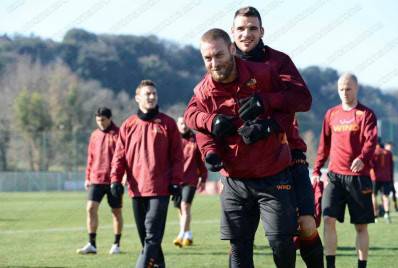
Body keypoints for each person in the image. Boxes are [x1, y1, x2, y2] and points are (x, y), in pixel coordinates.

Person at [184, 28, 312, 268]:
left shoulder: (264, 73)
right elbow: (192, 118)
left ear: (232, 49)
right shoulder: (203, 90)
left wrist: (268, 124)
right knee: (239, 249)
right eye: (207, 58)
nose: (214, 63)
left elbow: (297, 103)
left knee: (281, 243)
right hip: (235, 180)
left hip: (273, 174)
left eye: (219, 55)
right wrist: (210, 143)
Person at [230, 6, 323, 267]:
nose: (246, 34)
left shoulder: (278, 61)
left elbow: (303, 99)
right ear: (232, 32)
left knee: (305, 225)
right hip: (243, 162)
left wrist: (265, 103)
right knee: (239, 240)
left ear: (262, 31)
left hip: (288, 154)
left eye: (252, 28)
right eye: (241, 29)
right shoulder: (225, 64)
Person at [110, 80, 183, 268]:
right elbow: (119, 156)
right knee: (148, 241)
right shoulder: (128, 125)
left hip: (160, 190)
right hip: (136, 190)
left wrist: (176, 182)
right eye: (147, 94)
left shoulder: (168, 124)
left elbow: (177, 156)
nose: (151, 97)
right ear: (137, 98)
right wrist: (115, 180)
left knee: (152, 237)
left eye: (154, 94)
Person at [312, 73, 377, 268]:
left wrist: (362, 158)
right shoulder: (331, 114)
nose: (344, 92)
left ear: (356, 88)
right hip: (335, 176)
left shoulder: (366, 114)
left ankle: (361, 265)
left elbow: (371, 140)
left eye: (348, 88)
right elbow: (324, 144)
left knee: (360, 226)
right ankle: (330, 265)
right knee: (328, 219)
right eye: (341, 88)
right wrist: (316, 169)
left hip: (358, 178)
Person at [77, 107, 123, 255]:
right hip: (96, 179)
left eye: (103, 120)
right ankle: (92, 244)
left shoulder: (119, 134)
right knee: (90, 208)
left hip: (114, 180)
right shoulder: (94, 135)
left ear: (110, 118)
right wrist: (87, 177)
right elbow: (90, 158)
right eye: (98, 120)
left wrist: (124, 178)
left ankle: (116, 243)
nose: (100, 123)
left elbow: (125, 158)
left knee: (116, 212)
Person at [172, 116, 208, 247]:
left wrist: (203, 178)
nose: (184, 125)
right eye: (181, 123)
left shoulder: (195, 140)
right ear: (177, 125)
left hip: (190, 179)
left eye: (185, 123)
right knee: (180, 209)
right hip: (176, 179)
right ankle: (188, 233)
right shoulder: (172, 139)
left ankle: (181, 234)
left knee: (185, 206)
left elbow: (201, 161)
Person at [370, 139, 393, 223]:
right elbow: (391, 166)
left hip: (375, 178)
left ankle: (375, 216)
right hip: (386, 178)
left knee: (373, 196)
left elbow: (371, 165)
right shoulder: (388, 153)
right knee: (385, 196)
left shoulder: (373, 152)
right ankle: (387, 214)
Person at [384, 141, 398, 212]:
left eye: (391, 147)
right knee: (384, 194)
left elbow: (391, 167)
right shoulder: (384, 153)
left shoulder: (389, 154)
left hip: (389, 178)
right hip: (384, 178)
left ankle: (395, 206)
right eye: (390, 146)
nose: (391, 148)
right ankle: (384, 209)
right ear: (386, 146)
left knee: (393, 192)